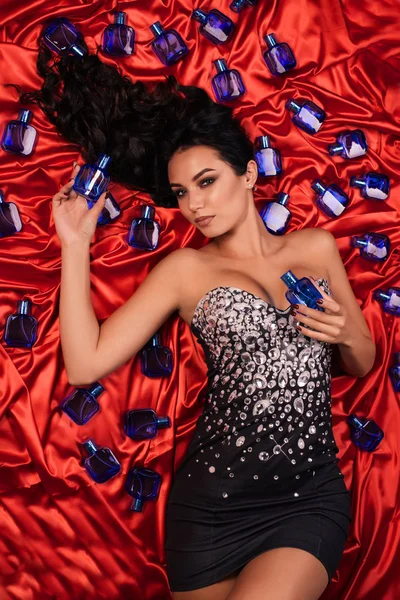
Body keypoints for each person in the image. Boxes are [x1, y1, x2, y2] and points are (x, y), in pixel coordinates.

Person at [29, 46, 376, 600]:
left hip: (308, 496)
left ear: (248, 173)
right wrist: (75, 244)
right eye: (183, 193)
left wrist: (345, 333)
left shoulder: (315, 248)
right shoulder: (185, 270)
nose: (195, 204)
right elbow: (83, 363)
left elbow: (361, 362)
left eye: (207, 181)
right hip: (211, 506)